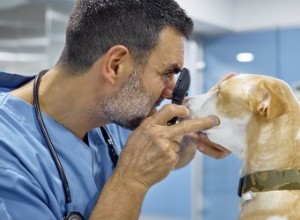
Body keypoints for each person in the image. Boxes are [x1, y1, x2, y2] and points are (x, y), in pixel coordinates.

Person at [0, 0, 231, 219]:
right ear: (116, 65)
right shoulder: (8, 158)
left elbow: (165, 155)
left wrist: (189, 137)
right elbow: (137, 168)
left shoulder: (110, 113)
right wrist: (131, 181)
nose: (170, 91)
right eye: (166, 73)